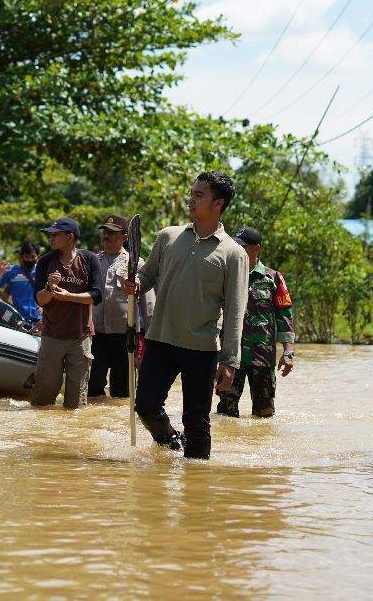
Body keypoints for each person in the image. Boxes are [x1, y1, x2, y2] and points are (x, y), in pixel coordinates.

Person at [121, 172, 248, 460]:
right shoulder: (169, 236)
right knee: (145, 406)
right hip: (161, 339)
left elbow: (235, 311)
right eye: (191, 193)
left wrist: (229, 362)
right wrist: (135, 284)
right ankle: (169, 441)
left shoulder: (233, 253)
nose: (191, 199)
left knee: (197, 423)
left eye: (199, 195)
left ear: (218, 203)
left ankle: (197, 488)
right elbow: (147, 275)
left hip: (201, 349)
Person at [216, 226, 295, 418]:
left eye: (242, 245)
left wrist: (288, 352)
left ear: (256, 248)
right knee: (225, 415)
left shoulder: (273, 278)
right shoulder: (226, 275)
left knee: (264, 417)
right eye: (235, 244)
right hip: (231, 358)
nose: (237, 248)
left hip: (262, 358)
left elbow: (285, 316)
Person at [30, 217, 103, 410]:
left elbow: (96, 296)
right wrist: (50, 288)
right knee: (43, 399)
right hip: (51, 335)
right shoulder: (45, 261)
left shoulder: (89, 259)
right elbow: (39, 299)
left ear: (70, 237)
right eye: (50, 235)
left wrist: (69, 296)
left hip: (81, 336)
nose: (51, 239)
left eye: (56, 235)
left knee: (76, 403)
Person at [89, 215, 153, 400]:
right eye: (105, 232)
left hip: (125, 336)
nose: (106, 236)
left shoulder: (136, 263)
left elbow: (148, 303)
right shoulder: (93, 262)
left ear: (125, 237)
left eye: (112, 232)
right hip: (96, 335)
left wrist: (150, 337)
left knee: (122, 392)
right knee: (93, 387)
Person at [0, 242, 41, 326]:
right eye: (27, 257)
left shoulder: (42, 272)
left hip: (38, 319)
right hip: (18, 319)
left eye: (33, 257)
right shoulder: (12, 271)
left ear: (38, 257)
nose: (29, 260)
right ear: (21, 256)